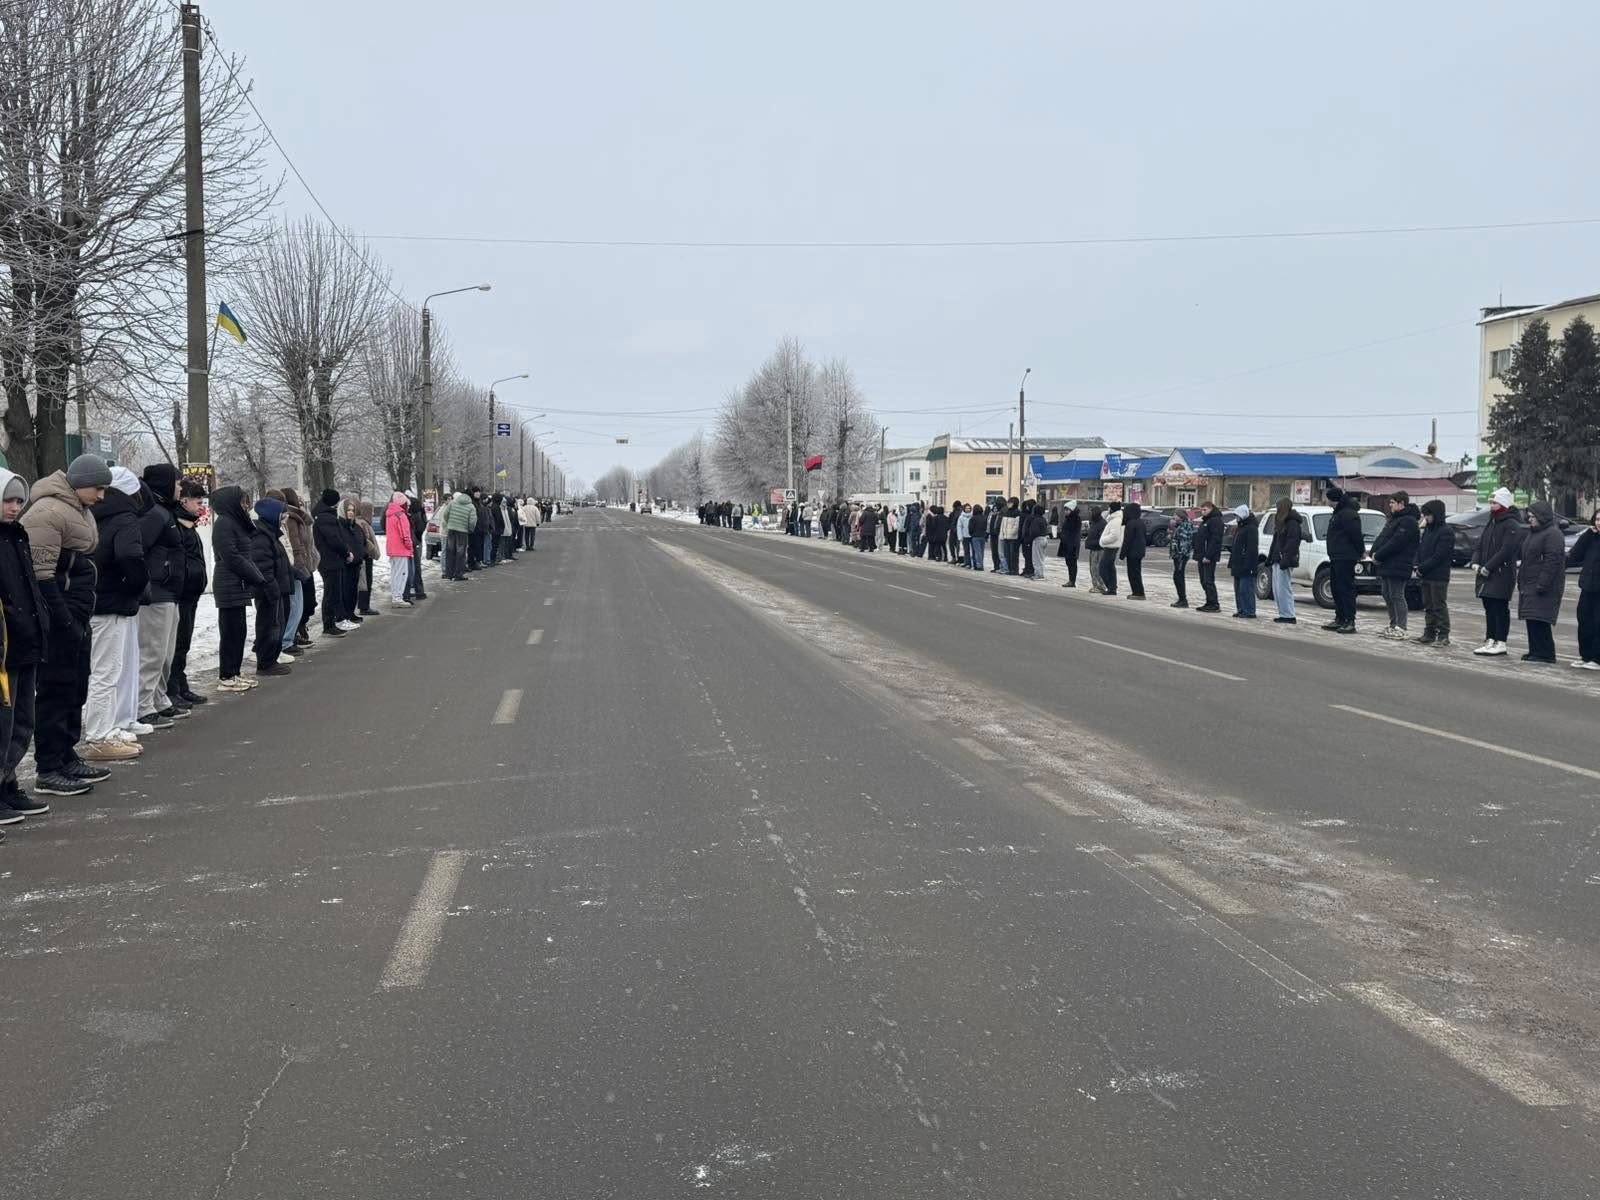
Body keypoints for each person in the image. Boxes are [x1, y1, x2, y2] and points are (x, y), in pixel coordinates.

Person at [25, 455, 122, 776]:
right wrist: (63, 619)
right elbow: (42, 575)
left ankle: (67, 756)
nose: (101, 496)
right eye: (98, 488)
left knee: (75, 688)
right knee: (56, 690)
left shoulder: (78, 509)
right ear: (80, 483)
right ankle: (49, 767)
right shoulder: (48, 512)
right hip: (60, 619)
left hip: (77, 615)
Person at [0, 468, 51, 823]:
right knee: (3, 722)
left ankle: (8, 782)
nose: (15, 507)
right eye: (8, 500)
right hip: (5, 646)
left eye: (19, 500)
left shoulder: (17, 536)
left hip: (26, 640)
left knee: (22, 720)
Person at [85, 468, 147, 750]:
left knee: (105, 670)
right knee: (107, 672)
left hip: (95, 597)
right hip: (113, 600)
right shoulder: (125, 518)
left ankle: (108, 726)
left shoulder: (93, 514)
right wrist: (137, 584)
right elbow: (129, 556)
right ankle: (101, 733)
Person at [135, 463, 183, 726]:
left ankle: (159, 697)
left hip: (169, 592)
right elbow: (138, 547)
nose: (180, 488)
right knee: (153, 651)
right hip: (157, 592)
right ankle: (144, 704)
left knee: (166, 652)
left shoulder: (165, 511)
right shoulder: (154, 513)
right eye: (176, 483)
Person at [210, 485, 268, 690]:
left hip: (238, 582)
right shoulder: (224, 524)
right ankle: (226, 676)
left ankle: (234, 672)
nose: (245, 506)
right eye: (242, 502)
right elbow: (232, 556)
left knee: (239, 631)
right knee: (230, 631)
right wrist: (255, 576)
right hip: (229, 583)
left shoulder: (234, 523)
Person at [166, 479, 210, 708]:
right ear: (184, 501)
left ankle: (181, 684)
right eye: (198, 502)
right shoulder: (176, 523)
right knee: (177, 643)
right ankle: (172, 688)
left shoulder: (188, 524)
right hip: (181, 592)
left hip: (191, 592)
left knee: (184, 642)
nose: (201, 507)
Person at [1471, 488, 1523, 657]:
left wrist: (1488, 566)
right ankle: (1490, 639)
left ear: (1504, 504)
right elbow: (1481, 544)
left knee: (1499, 607)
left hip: (1501, 574)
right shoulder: (1491, 522)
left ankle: (1501, 641)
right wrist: (1475, 562)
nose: (1492, 505)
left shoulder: (1511, 524)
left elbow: (1506, 550)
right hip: (1485, 574)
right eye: (1491, 502)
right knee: (1489, 607)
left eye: (1495, 503)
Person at [248, 497, 293, 677]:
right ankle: (266, 662)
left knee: (277, 624)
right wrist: (272, 588)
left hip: (276, 588)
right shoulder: (261, 535)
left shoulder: (271, 534)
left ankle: (271, 659)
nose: (285, 520)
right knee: (269, 626)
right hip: (269, 590)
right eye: (282, 516)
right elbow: (263, 566)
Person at [1517, 500, 1565, 664]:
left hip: (1544, 586)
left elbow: (1552, 561)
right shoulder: (1533, 533)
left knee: (1540, 619)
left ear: (1542, 517)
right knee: (1532, 618)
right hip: (1530, 583)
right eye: (1529, 516)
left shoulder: (1553, 534)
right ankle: (1535, 650)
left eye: (1532, 516)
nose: (1530, 519)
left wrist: (1543, 583)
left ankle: (1546, 653)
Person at [1369, 491, 1420, 640]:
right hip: (1387, 563)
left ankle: (1402, 627)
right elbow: (1383, 537)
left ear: (1401, 504)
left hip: (1399, 563)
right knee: (1386, 593)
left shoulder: (1408, 521)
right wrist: (1373, 552)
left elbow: (1396, 543)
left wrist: (1379, 555)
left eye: (1393, 502)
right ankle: (1393, 625)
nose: (1390, 505)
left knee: (1397, 595)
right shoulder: (1394, 519)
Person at [1322, 486, 1365, 634]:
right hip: (1336, 556)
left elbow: (1355, 535)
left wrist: (1361, 551)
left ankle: (1349, 620)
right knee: (1336, 588)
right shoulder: (1338, 513)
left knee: (1346, 589)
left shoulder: (1347, 514)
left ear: (1333, 499)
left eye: (1326, 497)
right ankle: (1339, 618)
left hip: (1346, 557)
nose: (1325, 500)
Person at [313, 489, 355, 634]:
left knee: (333, 592)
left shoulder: (323, 515)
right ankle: (329, 625)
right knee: (331, 593)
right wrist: (346, 552)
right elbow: (334, 539)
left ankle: (330, 623)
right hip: (330, 560)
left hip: (330, 559)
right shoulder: (326, 517)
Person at [279, 488, 317, 645]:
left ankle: (296, 631)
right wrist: (300, 562)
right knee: (296, 604)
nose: (301, 504)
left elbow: (308, 542)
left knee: (306, 602)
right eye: (298, 501)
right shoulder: (290, 519)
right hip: (297, 566)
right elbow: (294, 544)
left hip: (305, 565)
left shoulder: (301, 518)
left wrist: (313, 557)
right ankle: (290, 637)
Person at [1415, 500, 1454, 646]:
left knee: (1439, 605)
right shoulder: (1428, 530)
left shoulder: (1446, 532)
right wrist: (1418, 565)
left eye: (1428, 515)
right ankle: (1429, 632)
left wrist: (1422, 567)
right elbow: (1421, 549)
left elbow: (1439, 556)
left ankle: (1443, 634)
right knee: (1428, 605)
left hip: (1438, 575)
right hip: (1425, 574)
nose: (1426, 518)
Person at [1264, 498, 1306, 624]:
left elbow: (1292, 543)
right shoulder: (1281, 522)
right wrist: (1270, 558)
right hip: (1278, 559)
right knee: (1277, 588)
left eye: (1278, 507)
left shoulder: (1292, 523)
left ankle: (1288, 615)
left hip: (1285, 560)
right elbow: (1275, 542)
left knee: (1284, 588)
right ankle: (1283, 613)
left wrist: (1285, 558)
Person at [1192, 501, 1224, 613]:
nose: (1203, 512)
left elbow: (1215, 540)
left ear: (1211, 508)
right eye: (1201, 510)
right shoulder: (1206, 520)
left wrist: (1208, 555)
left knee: (1208, 580)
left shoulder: (1215, 520)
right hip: (1202, 555)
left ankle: (1214, 603)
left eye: (1205, 510)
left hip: (1208, 556)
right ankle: (1209, 601)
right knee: (1203, 580)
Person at [385, 490, 415, 607]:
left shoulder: (390, 514)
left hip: (392, 548)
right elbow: (405, 535)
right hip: (401, 549)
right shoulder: (401, 515)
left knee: (394, 574)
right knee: (402, 574)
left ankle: (395, 596)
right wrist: (409, 546)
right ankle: (398, 598)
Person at [1229, 504, 1259, 617]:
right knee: (1238, 589)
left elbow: (1252, 548)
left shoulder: (1251, 528)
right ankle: (1241, 609)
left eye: (1237, 515)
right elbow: (1236, 545)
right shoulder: (1240, 527)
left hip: (1246, 564)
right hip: (1237, 562)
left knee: (1246, 589)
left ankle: (1249, 611)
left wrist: (1249, 564)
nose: (1236, 518)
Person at [440, 489, 475, 581]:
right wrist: (470, 529)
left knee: (450, 551)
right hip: (462, 532)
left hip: (451, 530)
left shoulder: (452, 503)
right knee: (461, 553)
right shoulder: (471, 506)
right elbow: (472, 521)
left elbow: (445, 514)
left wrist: (450, 523)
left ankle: (449, 573)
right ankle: (458, 574)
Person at [354, 499, 380, 615]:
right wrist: (374, 552)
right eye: (371, 510)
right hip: (366, 557)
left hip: (364, 556)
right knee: (366, 581)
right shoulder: (363, 524)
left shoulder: (360, 522)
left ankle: (363, 605)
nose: (373, 513)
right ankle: (364, 606)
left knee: (364, 581)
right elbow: (366, 541)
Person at [1167, 509, 1194, 607]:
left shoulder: (1186, 525)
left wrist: (1174, 530)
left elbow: (1185, 539)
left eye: (1176, 515)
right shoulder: (1179, 525)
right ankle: (1181, 598)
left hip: (1181, 555)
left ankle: (1183, 599)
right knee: (1177, 576)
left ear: (1181, 516)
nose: (1174, 517)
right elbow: (1175, 538)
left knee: (1178, 576)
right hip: (1177, 554)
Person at [1119, 501, 1146, 598]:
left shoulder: (1131, 523)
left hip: (1132, 552)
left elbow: (1127, 540)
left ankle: (1138, 593)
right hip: (1139, 551)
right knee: (1137, 572)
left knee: (1132, 573)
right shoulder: (1140, 522)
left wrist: (1122, 555)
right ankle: (1139, 592)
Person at [1098, 501, 1124, 595]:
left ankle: (1111, 587)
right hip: (1111, 546)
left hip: (1111, 546)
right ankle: (1112, 588)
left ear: (1112, 509)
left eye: (1109, 508)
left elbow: (1114, 535)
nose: (1108, 510)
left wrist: (1103, 540)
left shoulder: (1116, 520)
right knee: (1110, 567)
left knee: (1102, 568)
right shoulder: (1114, 518)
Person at [406, 492, 429, 598]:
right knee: (416, 564)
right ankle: (419, 590)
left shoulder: (406, 508)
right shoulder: (419, 506)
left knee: (406, 566)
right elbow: (424, 522)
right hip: (417, 540)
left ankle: (406, 590)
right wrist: (418, 536)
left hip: (406, 540)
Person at [1057, 500, 1081, 588]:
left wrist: (1071, 544)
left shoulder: (1076, 519)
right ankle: (1070, 580)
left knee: (1072, 563)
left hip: (1072, 545)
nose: (1065, 512)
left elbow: (1074, 533)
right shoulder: (1068, 518)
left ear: (1072, 510)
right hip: (1067, 544)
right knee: (1069, 563)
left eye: (1067, 510)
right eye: (1065, 510)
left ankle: (1072, 581)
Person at [1085, 506, 1106, 594]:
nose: (1089, 514)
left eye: (1091, 512)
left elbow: (1101, 538)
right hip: (1093, 548)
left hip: (1099, 549)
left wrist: (1091, 542)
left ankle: (1100, 586)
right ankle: (1095, 585)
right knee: (1092, 568)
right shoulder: (1094, 522)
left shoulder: (1102, 523)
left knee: (1097, 568)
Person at [1000, 498, 1022, 576]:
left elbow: (1016, 526)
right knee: (1007, 554)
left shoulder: (1017, 513)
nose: (1008, 504)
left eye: (1010, 503)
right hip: (1006, 537)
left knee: (1013, 555)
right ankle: (1009, 569)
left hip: (1013, 538)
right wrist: (1003, 533)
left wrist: (1011, 533)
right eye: (1008, 503)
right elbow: (1003, 524)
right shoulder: (1006, 512)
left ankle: (1014, 570)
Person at [969, 500, 988, 571]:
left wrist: (972, 534)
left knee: (977, 551)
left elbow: (970, 528)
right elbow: (986, 527)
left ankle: (978, 565)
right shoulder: (984, 518)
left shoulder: (973, 518)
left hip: (975, 536)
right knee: (981, 551)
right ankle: (981, 564)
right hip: (982, 536)